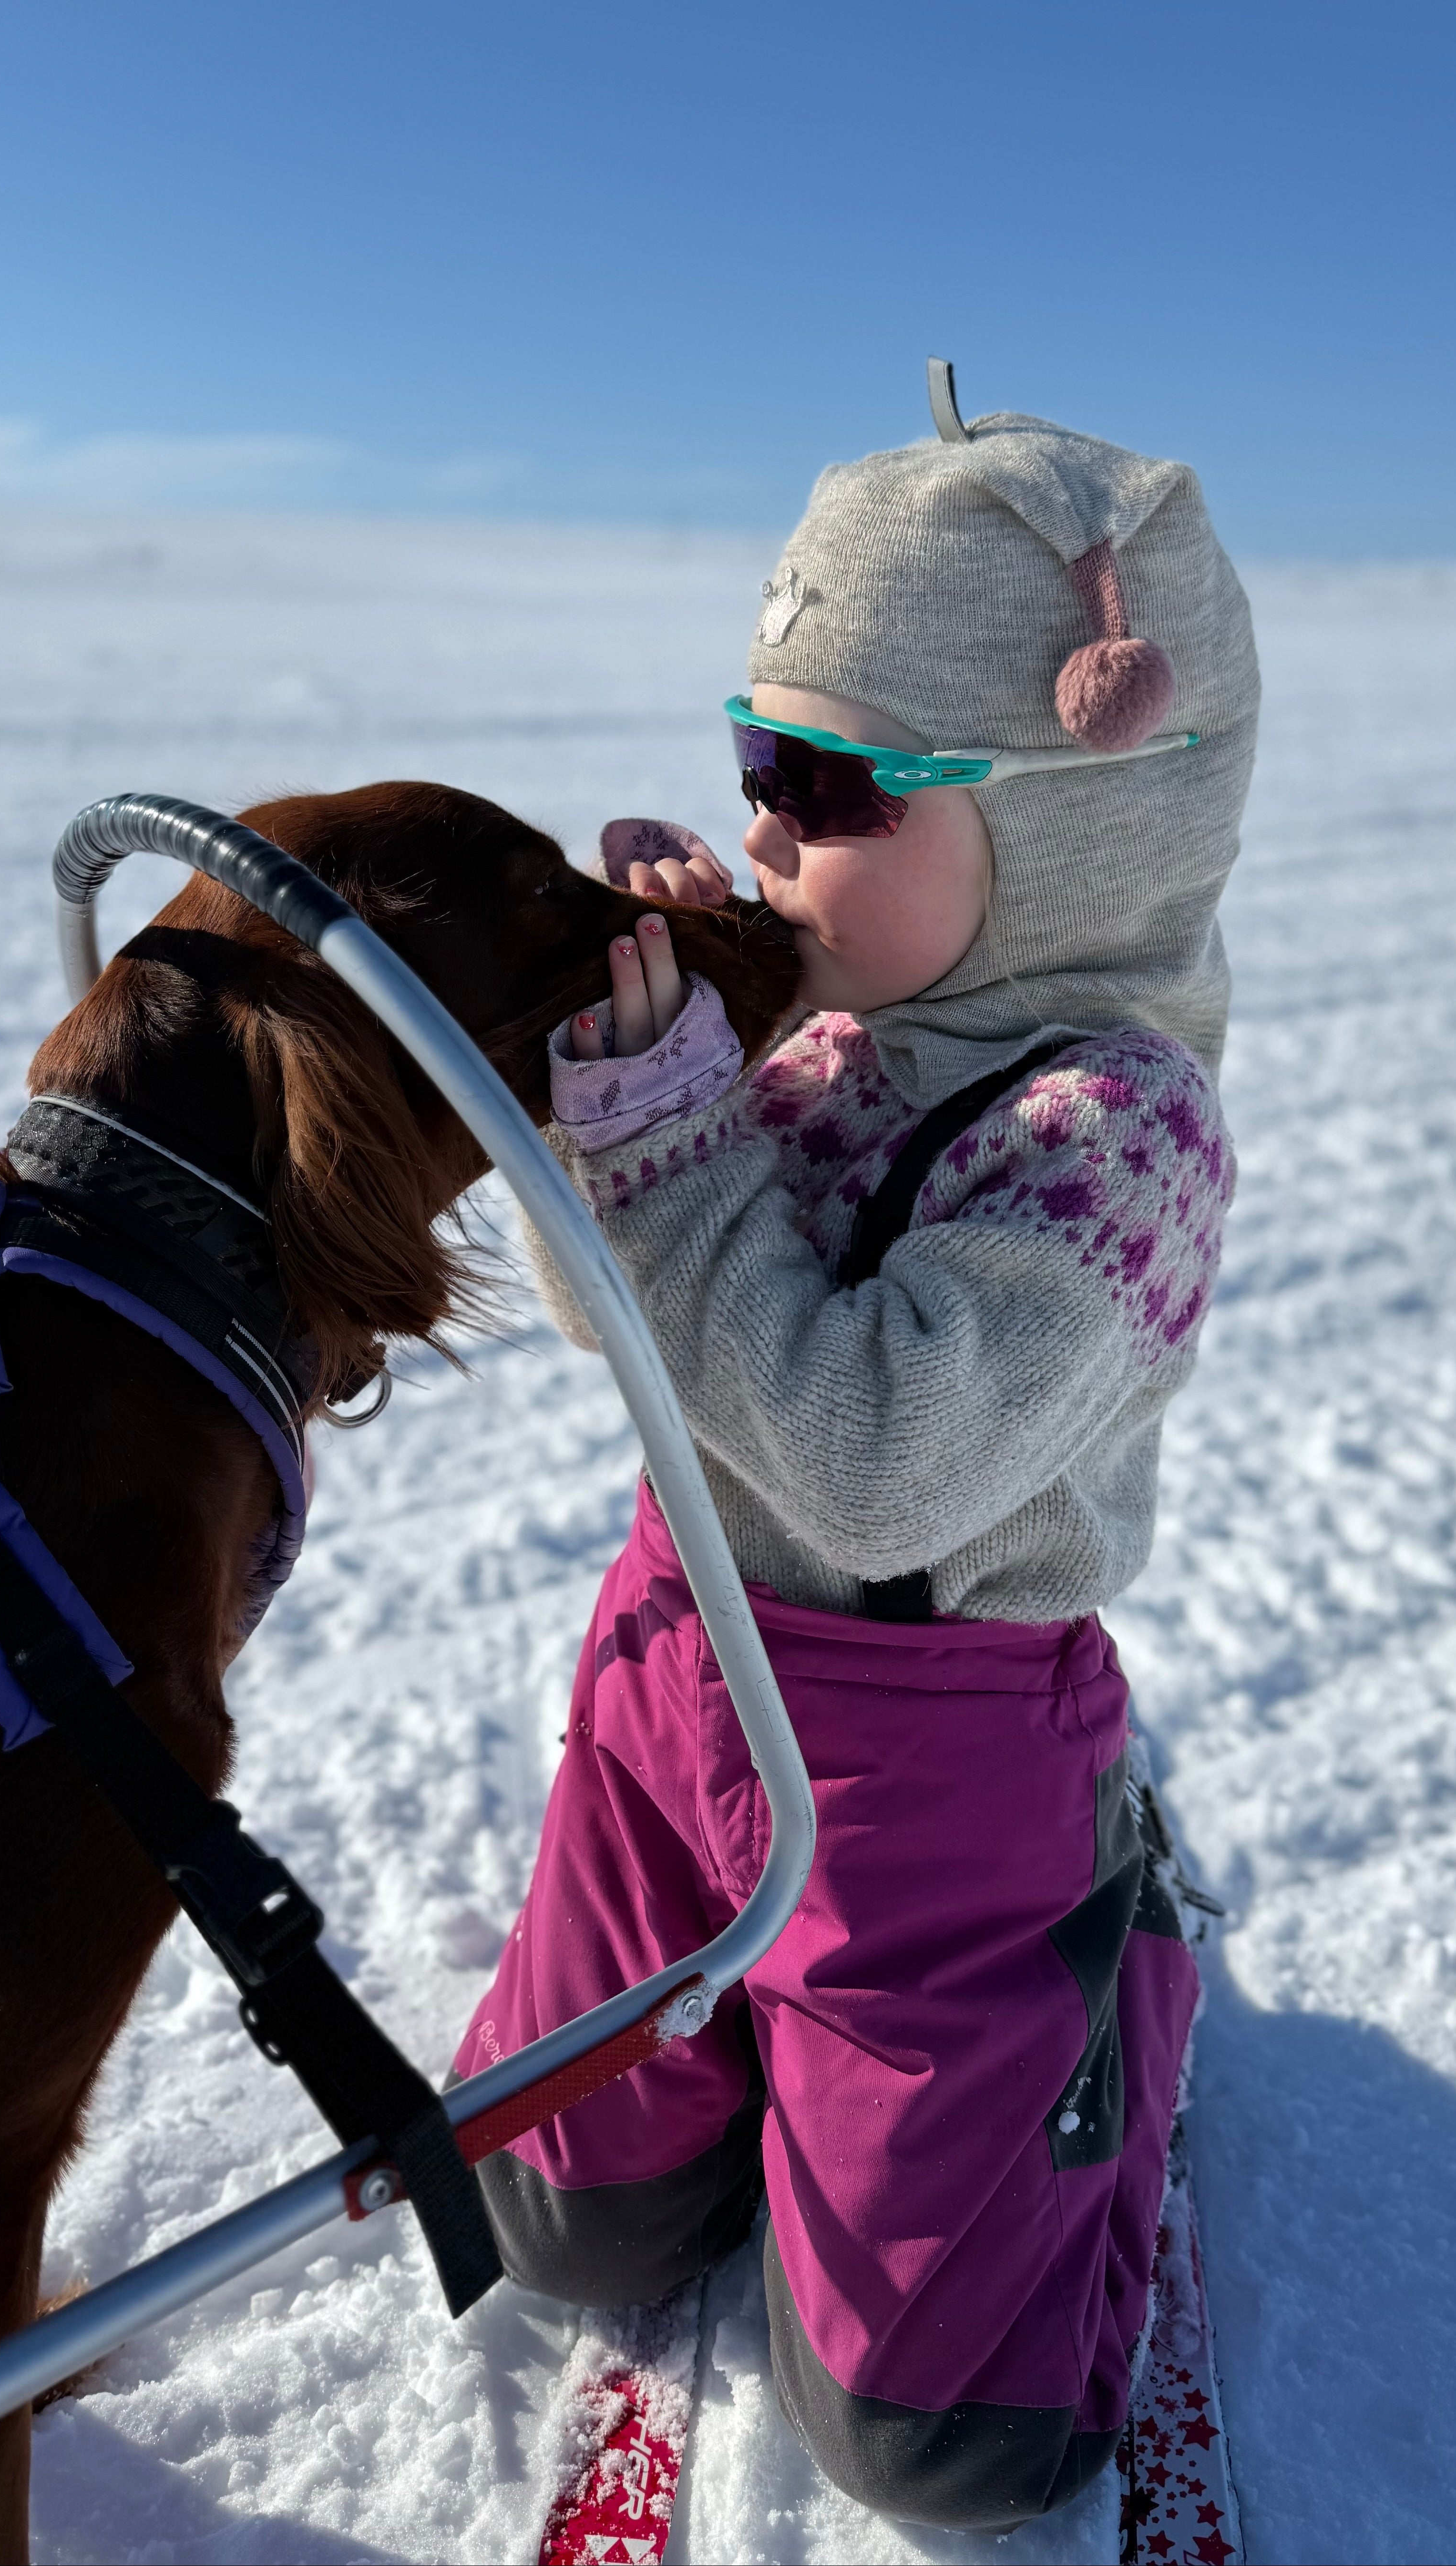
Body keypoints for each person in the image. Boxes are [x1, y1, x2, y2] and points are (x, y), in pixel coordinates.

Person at [451, 376, 1259, 2531]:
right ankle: (724, 2061)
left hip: (934, 1772)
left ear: (1072, 817)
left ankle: (1120, 1936)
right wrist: (612, 1079)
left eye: (823, 779)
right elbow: (633, 1329)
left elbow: (874, 1458)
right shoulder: (821, 1035)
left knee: (944, 2437)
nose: (766, 826)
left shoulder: (1118, 1135)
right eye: (752, 762)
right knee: (555, 2218)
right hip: (671, 1674)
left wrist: (684, 1140)